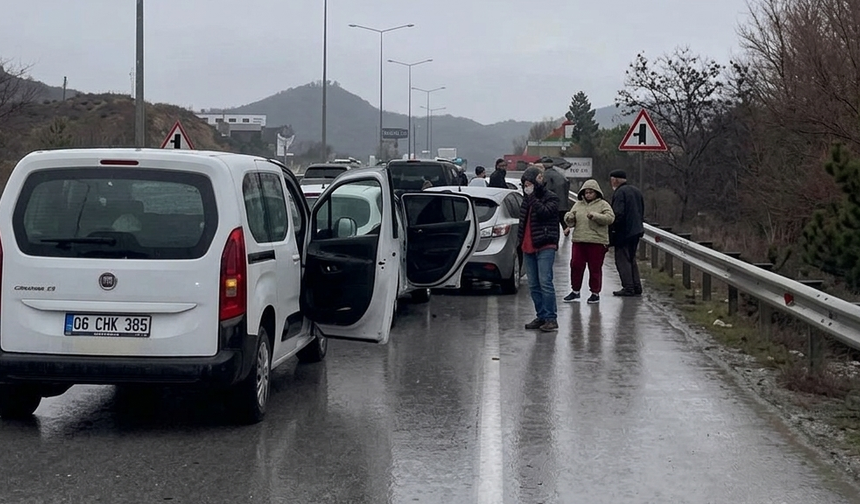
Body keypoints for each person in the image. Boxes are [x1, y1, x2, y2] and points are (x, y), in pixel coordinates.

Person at [517, 166, 560, 332]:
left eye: (530, 183)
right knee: (533, 284)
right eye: (525, 184)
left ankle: (551, 317)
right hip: (528, 246)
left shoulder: (551, 198)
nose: (527, 187)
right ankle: (541, 315)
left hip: (545, 244)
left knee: (545, 282)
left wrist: (533, 198)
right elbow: (522, 222)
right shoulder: (525, 200)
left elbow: (544, 213)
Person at [562, 179, 615, 304]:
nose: (588, 195)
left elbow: (610, 218)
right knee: (575, 265)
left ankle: (595, 293)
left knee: (595, 267)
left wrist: (596, 216)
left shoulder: (603, 204)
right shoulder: (578, 204)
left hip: (596, 241)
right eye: (586, 192)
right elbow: (572, 222)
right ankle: (575, 291)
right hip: (579, 240)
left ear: (596, 193)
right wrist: (568, 218)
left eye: (591, 192)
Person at [608, 169, 645, 296]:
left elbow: (618, 214)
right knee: (631, 258)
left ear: (615, 180)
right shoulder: (636, 191)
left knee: (622, 260)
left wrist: (612, 229)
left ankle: (628, 287)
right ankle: (636, 286)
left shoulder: (620, 193)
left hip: (624, 232)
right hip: (636, 230)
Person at [538, 157, 572, 237]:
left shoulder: (546, 175)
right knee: (561, 216)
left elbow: (546, 189)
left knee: (554, 221)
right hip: (563, 201)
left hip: (553, 203)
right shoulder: (559, 174)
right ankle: (566, 228)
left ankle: (557, 234)